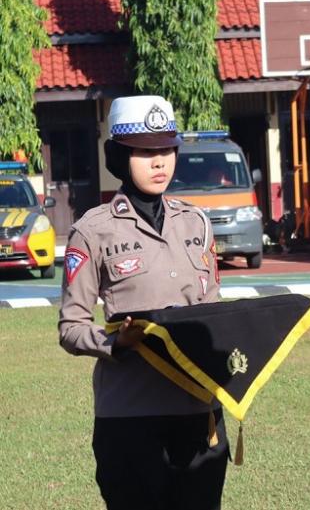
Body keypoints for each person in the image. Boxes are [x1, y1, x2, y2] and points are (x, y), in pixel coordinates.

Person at [58, 96, 226, 510]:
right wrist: (116, 343)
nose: (159, 162)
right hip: (131, 417)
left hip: (198, 411)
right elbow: (71, 327)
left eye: (167, 149)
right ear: (117, 156)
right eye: (146, 152)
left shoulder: (196, 223)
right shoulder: (91, 231)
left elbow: (214, 310)